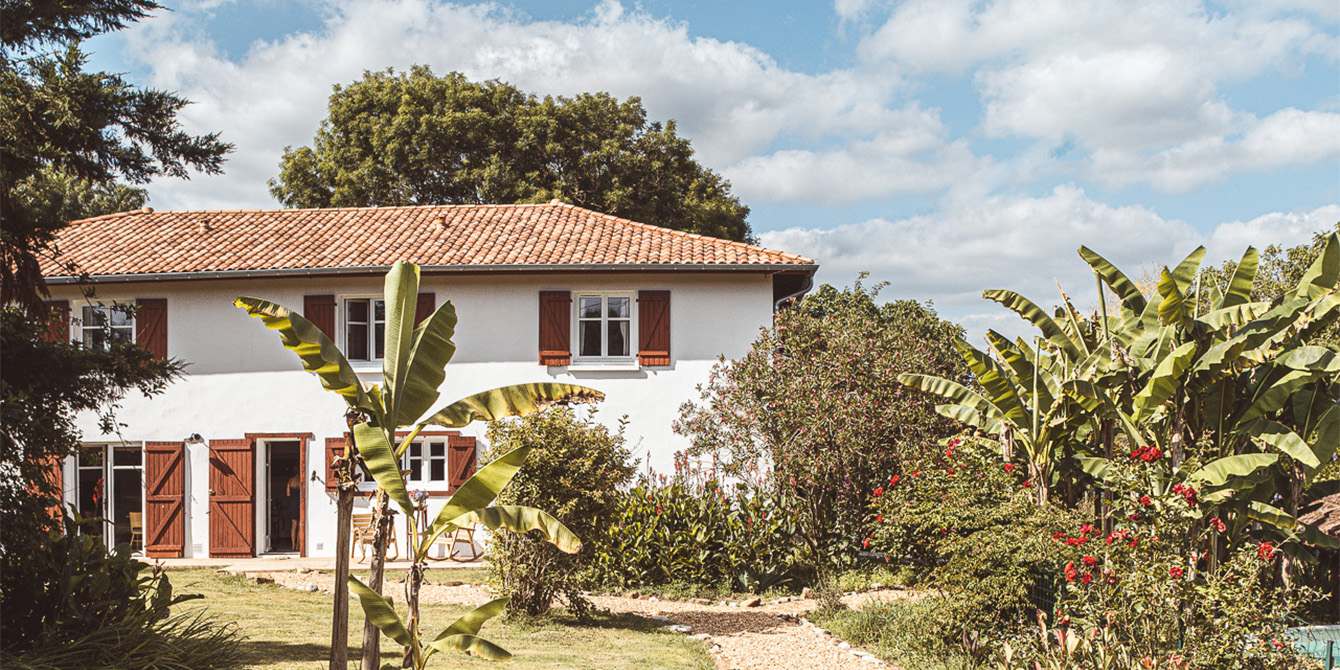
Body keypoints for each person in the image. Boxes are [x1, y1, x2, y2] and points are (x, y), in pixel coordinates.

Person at [286, 469, 301, 551]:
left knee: (293, 525)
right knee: (300, 525)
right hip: (299, 503)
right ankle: (298, 545)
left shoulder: (290, 481)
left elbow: (288, 494)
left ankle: (293, 544)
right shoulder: (301, 481)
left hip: (293, 504)